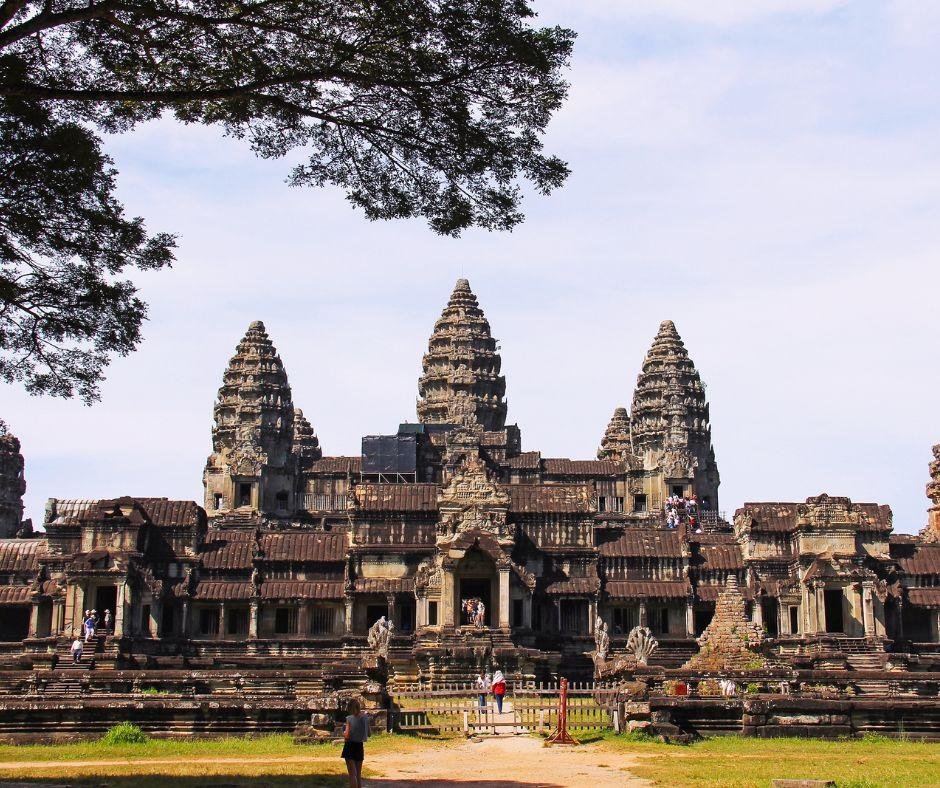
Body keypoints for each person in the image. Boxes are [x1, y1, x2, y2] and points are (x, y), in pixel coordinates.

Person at [341, 698, 369, 788]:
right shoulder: (365, 717)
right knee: (358, 775)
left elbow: (347, 735)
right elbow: (369, 733)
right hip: (360, 746)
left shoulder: (349, 719)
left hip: (350, 746)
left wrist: (344, 732)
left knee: (352, 774)